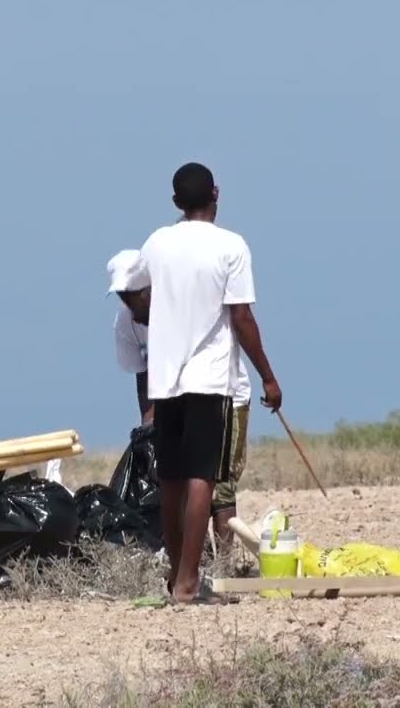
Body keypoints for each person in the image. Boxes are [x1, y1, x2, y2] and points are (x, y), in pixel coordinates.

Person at [138, 161, 283, 605]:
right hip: (209, 377)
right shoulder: (231, 246)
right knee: (202, 476)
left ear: (176, 202)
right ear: (216, 194)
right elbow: (240, 316)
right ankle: (187, 583)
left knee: (171, 479)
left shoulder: (157, 243)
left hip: (165, 380)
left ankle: (174, 572)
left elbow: (143, 299)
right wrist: (269, 376)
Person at [106, 248, 252, 559]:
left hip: (224, 392)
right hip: (179, 400)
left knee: (218, 484)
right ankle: (191, 562)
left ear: (149, 290)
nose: (127, 304)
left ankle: (222, 564)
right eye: (121, 296)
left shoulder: (181, 309)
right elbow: (143, 373)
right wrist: (148, 426)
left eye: (132, 295)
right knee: (180, 483)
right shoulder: (126, 324)